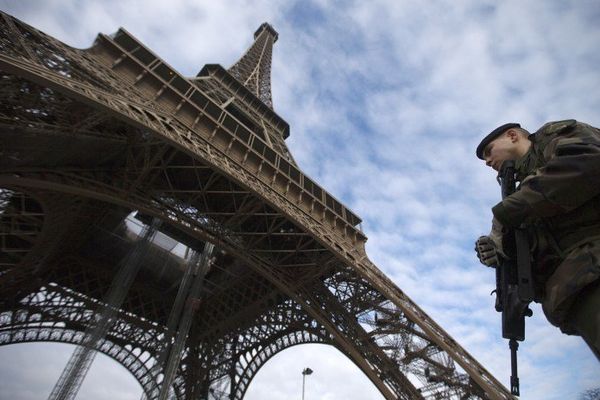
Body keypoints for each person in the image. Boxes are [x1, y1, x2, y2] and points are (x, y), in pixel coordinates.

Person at [474, 119, 600, 359]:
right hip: (576, 291)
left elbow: (587, 162)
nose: (488, 162)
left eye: (489, 152)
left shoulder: (553, 138)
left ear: (513, 136)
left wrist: (506, 213)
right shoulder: (521, 188)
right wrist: (502, 252)